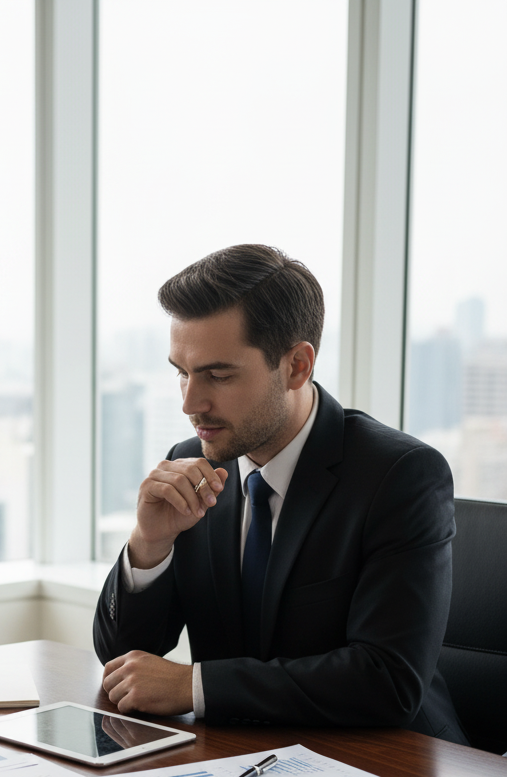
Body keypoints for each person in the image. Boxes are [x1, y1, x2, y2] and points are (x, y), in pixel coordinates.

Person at [94, 243, 467, 742]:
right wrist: (149, 544)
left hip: (389, 766)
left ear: (296, 366)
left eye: (218, 374)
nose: (190, 402)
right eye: (181, 372)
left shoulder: (400, 475)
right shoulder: (196, 460)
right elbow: (124, 657)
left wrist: (194, 685)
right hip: (240, 761)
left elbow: (388, 681)